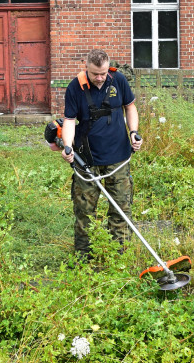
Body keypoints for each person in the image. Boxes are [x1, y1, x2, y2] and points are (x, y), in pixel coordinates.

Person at [60, 49, 143, 258]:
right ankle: (83, 258)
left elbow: (130, 107)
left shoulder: (119, 80)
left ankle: (120, 256)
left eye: (103, 73)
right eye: (95, 73)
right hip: (87, 159)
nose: (99, 78)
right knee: (84, 212)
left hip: (119, 158)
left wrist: (133, 132)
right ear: (86, 67)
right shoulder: (74, 88)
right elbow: (69, 120)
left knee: (121, 208)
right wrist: (67, 147)